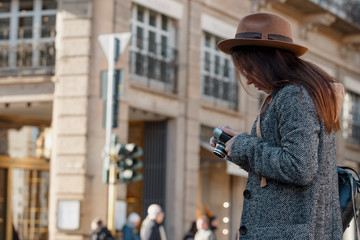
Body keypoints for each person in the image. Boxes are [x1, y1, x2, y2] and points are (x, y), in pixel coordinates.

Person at [210, 12, 343, 239]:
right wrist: (236, 145)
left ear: (270, 61)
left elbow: (299, 167)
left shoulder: (294, 96)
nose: (249, 80)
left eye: (250, 69)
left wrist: (243, 144)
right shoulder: (295, 94)